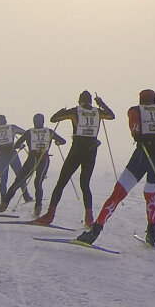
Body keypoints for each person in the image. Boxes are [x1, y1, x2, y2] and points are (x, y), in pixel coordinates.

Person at [76, 88, 155, 246]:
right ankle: (152, 233)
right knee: (150, 194)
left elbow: (134, 126)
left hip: (142, 156)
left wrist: (137, 134)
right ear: (154, 99)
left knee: (117, 194)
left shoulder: (135, 110)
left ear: (141, 99)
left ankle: (95, 231)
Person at [36, 91, 116, 227]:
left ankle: (50, 215)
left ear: (79, 100)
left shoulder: (75, 111)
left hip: (77, 148)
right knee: (85, 184)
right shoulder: (98, 112)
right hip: (91, 149)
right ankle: (89, 218)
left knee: (61, 182)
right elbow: (111, 116)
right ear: (91, 101)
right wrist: (101, 103)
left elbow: (54, 119)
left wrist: (62, 110)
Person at [0, 114, 65, 215]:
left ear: (34, 121)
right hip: (43, 160)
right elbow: (63, 141)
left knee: (17, 182)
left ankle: (4, 204)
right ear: (43, 121)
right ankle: (37, 208)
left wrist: (21, 145)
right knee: (38, 183)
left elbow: (16, 145)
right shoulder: (49, 132)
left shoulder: (29, 132)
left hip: (31, 159)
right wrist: (57, 142)